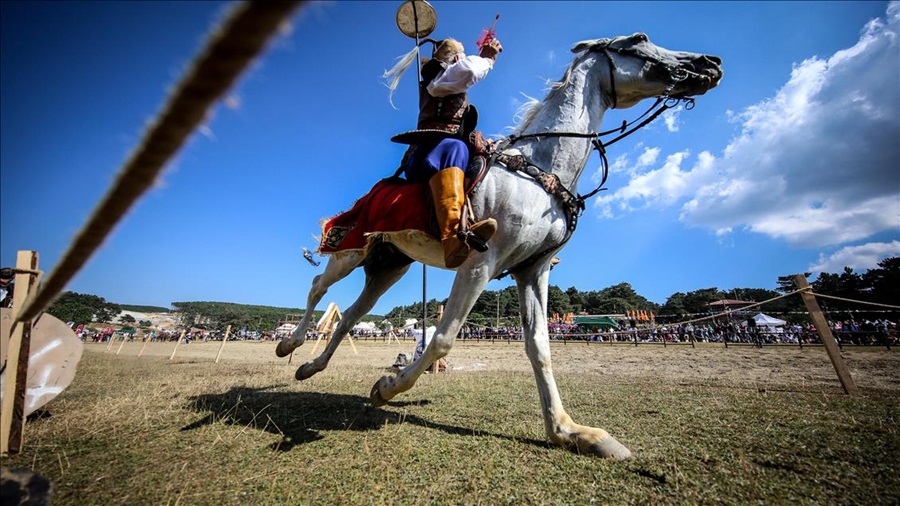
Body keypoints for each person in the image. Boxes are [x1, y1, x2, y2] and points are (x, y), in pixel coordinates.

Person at [384, 36, 504, 268]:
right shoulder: (436, 78)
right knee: (455, 147)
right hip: (429, 156)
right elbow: (468, 71)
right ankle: (452, 239)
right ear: (455, 59)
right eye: (461, 56)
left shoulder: (446, 77)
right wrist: (486, 59)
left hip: (441, 154)